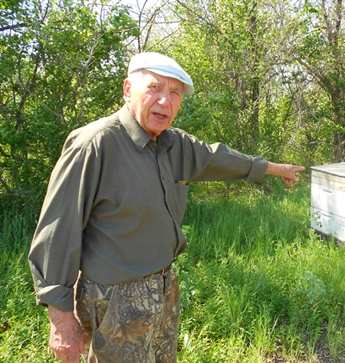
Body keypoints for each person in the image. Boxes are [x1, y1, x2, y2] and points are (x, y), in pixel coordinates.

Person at [28, 52, 305, 363]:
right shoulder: (94, 144)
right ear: (127, 89)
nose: (165, 101)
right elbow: (57, 231)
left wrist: (276, 169)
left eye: (175, 93)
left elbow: (220, 159)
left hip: (164, 288)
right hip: (114, 299)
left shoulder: (174, 144)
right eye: (155, 88)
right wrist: (61, 321)